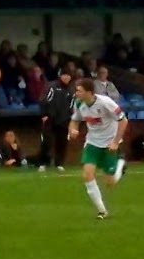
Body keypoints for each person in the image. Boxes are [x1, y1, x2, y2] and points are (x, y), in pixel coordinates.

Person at [68, 78, 127, 220]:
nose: (76, 93)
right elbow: (75, 120)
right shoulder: (79, 103)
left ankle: (120, 166)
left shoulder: (106, 102)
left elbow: (123, 120)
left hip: (109, 143)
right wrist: (72, 130)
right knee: (87, 175)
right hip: (92, 143)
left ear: (89, 92)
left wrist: (115, 142)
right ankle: (102, 210)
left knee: (110, 183)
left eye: (79, 91)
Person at [40, 67, 76, 171]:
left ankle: (59, 163)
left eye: (68, 75)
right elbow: (43, 100)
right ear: (60, 76)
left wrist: (71, 119)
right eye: (64, 75)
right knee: (47, 141)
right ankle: (43, 163)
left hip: (64, 119)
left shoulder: (71, 90)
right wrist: (44, 114)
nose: (66, 77)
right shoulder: (52, 86)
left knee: (62, 142)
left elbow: (71, 105)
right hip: (50, 118)